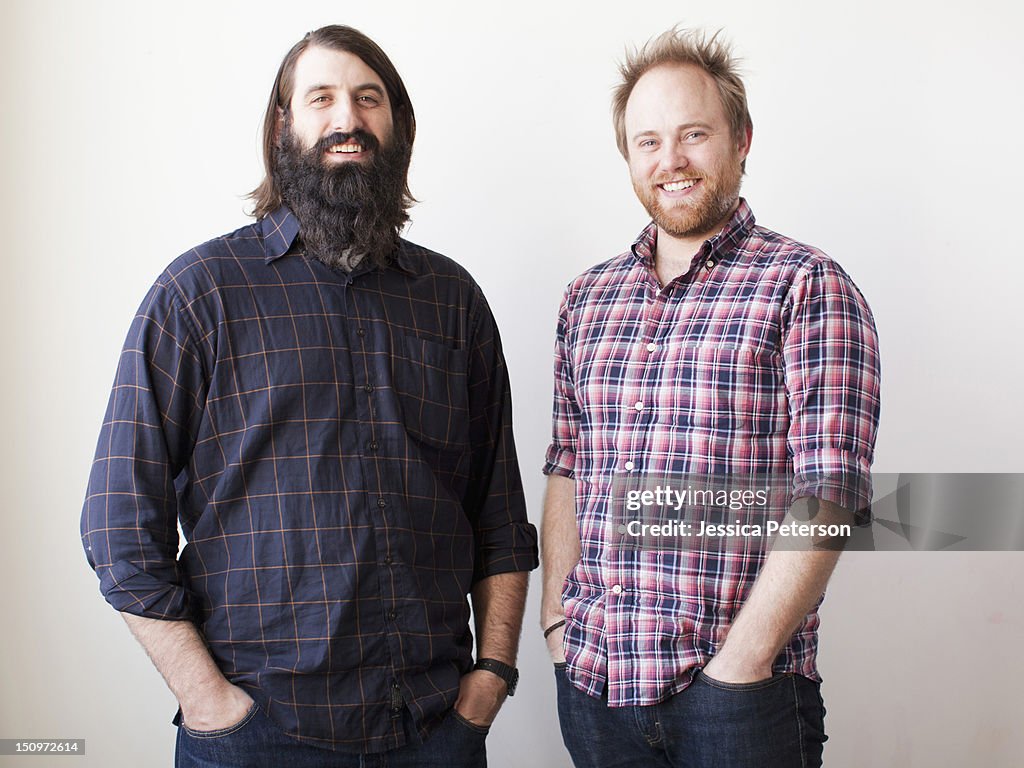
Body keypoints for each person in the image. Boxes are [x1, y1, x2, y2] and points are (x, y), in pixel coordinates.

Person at [81, 25, 537, 768]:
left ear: (398, 127)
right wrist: (208, 701)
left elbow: (499, 517)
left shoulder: (452, 302)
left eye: (368, 99)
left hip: (434, 732)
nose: (347, 120)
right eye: (320, 98)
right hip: (257, 736)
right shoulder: (199, 296)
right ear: (281, 127)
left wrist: (491, 677)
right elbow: (115, 525)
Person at [540, 27, 880, 768]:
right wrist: (556, 626)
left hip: (737, 703)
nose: (671, 161)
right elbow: (567, 466)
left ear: (741, 139)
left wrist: (740, 665)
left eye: (694, 134)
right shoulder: (586, 300)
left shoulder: (806, 285)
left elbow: (834, 495)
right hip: (597, 689)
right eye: (648, 141)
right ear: (628, 155)